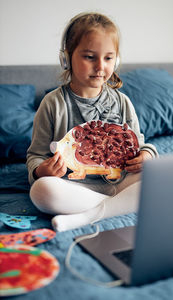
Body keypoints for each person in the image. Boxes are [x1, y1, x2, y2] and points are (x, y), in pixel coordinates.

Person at [26, 12, 158, 232]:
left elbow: (139, 144)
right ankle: (117, 207)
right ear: (67, 58)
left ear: (117, 59)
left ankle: (86, 215)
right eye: (89, 57)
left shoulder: (123, 102)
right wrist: (41, 170)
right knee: (41, 191)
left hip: (121, 181)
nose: (100, 66)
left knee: (158, 177)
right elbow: (36, 155)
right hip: (72, 186)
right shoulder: (52, 104)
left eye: (108, 58)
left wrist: (147, 155)